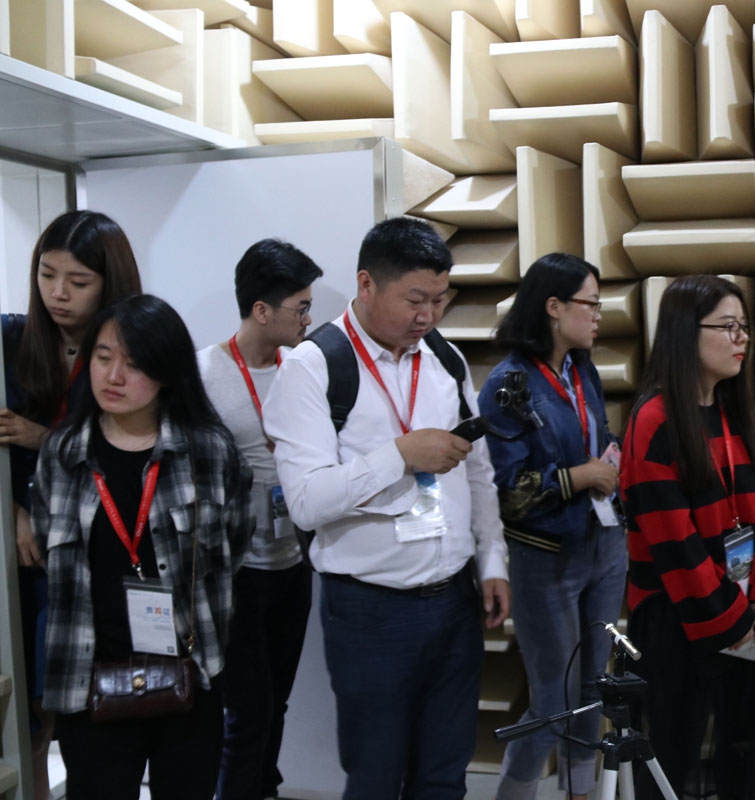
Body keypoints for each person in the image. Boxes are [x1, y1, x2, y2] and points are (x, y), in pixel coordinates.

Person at [261, 216, 510, 800]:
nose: (429, 315)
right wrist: (399, 454)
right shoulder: (311, 367)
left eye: (441, 299)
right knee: (374, 780)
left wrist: (492, 560)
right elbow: (306, 502)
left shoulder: (442, 357)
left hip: (454, 602)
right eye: (416, 299)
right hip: (369, 613)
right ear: (367, 284)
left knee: (445, 778)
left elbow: (478, 467)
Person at [29, 293, 254, 800]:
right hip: (89, 679)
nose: (113, 376)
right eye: (103, 357)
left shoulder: (209, 453)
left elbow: (235, 544)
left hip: (188, 678)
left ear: (168, 372)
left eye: (134, 364)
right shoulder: (62, 453)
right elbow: (49, 547)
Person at [619, 275, 755, 800]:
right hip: (678, 621)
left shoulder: (731, 410)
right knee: (671, 756)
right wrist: (735, 620)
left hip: (738, 614)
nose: (741, 339)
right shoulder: (653, 421)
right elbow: (677, 547)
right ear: (683, 333)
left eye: (745, 327)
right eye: (728, 327)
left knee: (739, 753)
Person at [0, 209, 142, 800]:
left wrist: (44, 439)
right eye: (46, 274)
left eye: (78, 282)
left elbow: (141, 446)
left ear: (109, 282)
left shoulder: (134, 345)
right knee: (30, 707)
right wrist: (14, 512)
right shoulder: (11, 338)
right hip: (28, 553)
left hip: (102, 549)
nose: (57, 293)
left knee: (91, 704)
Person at [478, 253, 626, 800]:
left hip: (604, 549)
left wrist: (608, 463)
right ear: (553, 306)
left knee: (593, 689)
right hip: (547, 561)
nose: (598, 315)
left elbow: (596, 435)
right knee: (553, 700)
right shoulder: (507, 385)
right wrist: (582, 475)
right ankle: (514, 794)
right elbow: (510, 492)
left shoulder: (581, 368)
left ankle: (580, 793)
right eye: (590, 303)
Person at [197, 239, 324, 800]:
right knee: (245, 710)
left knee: (278, 700)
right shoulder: (202, 373)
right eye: (300, 307)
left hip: (293, 560)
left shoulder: (302, 367)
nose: (308, 318)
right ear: (261, 311)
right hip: (235, 571)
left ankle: (263, 788)